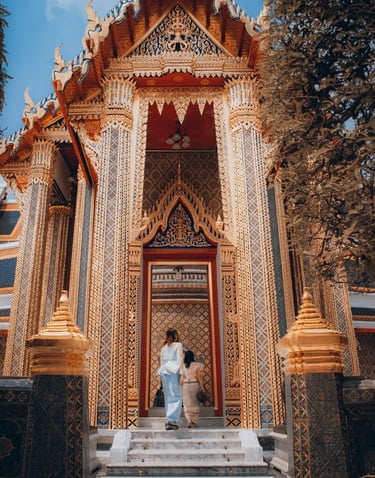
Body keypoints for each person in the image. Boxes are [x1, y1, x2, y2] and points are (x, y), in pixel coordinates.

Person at [157, 328, 184, 430]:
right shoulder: (178, 345)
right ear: (176, 335)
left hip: (164, 372)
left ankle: (169, 419)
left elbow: (161, 363)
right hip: (173, 371)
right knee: (176, 396)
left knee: (168, 397)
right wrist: (181, 374)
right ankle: (172, 420)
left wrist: (160, 380)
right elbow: (179, 359)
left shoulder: (163, 348)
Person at [182, 350, 204, 428]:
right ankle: (194, 421)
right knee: (195, 403)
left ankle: (189, 420)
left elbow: (181, 378)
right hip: (194, 384)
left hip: (185, 385)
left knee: (186, 403)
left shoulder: (183, 366)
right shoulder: (197, 365)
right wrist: (202, 386)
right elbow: (199, 377)